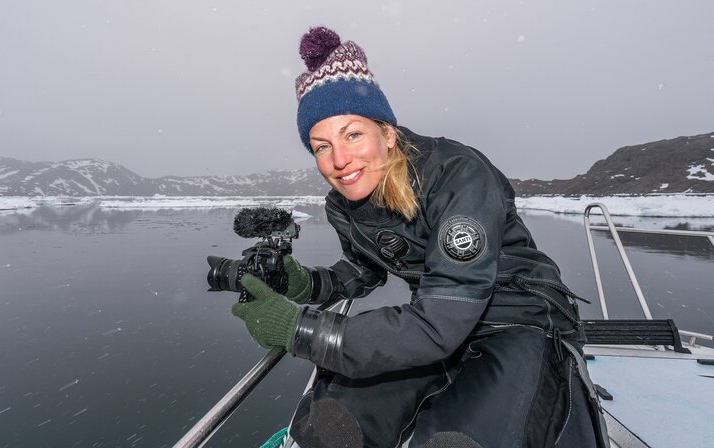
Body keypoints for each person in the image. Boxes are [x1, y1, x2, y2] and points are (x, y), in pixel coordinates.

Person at [230, 26, 609, 448]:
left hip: (522, 321)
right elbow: (361, 272)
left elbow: (438, 322)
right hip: (437, 324)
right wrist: (300, 282)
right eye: (321, 146)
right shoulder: (344, 205)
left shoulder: (457, 175)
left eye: (352, 134)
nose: (339, 160)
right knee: (330, 426)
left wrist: (298, 329)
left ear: (387, 133)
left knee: (456, 441)